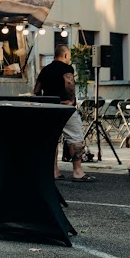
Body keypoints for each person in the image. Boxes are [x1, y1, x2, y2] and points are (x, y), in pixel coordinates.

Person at [34, 45, 95, 182]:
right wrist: (72, 100)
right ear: (66, 55)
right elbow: (69, 83)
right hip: (64, 108)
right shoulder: (67, 68)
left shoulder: (45, 69)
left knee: (51, 140)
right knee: (75, 138)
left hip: (48, 109)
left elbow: (36, 90)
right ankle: (77, 172)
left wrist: (45, 102)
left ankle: (54, 171)